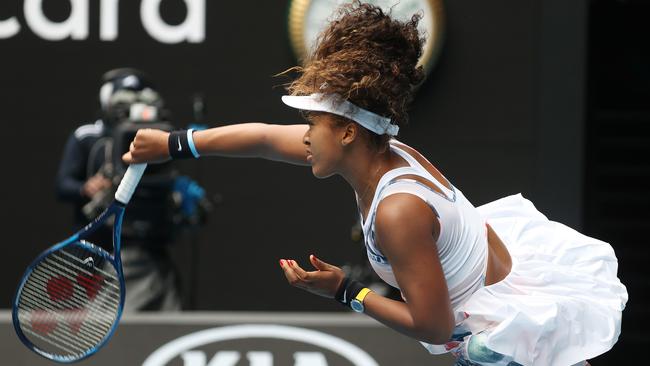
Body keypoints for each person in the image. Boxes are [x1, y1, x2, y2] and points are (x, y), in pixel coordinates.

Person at [122, 2, 627, 365]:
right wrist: (174, 144)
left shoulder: (397, 212)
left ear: (346, 132)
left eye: (312, 124)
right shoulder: (381, 150)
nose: (303, 136)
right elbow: (259, 138)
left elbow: (431, 324)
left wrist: (347, 292)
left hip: (504, 342)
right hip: (497, 318)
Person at [56, 67, 204, 312]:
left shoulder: (164, 138)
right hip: (100, 250)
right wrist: (87, 188)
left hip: (153, 251)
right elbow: (62, 186)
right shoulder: (88, 137)